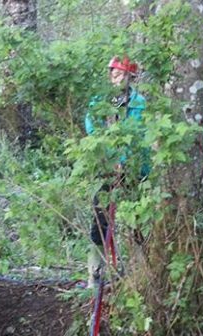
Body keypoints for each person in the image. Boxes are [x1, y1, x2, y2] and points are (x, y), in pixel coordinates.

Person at [85, 56, 148, 288]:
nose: (115, 77)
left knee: (137, 220)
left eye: (120, 74)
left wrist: (128, 161)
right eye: (113, 73)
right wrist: (108, 157)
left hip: (134, 170)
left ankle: (139, 270)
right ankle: (95, 274)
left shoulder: (139, 103)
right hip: (106, 170)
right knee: (100, 220)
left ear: (130, 77)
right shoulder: (100, 101)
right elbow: (92, 128)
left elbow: (141, 135)